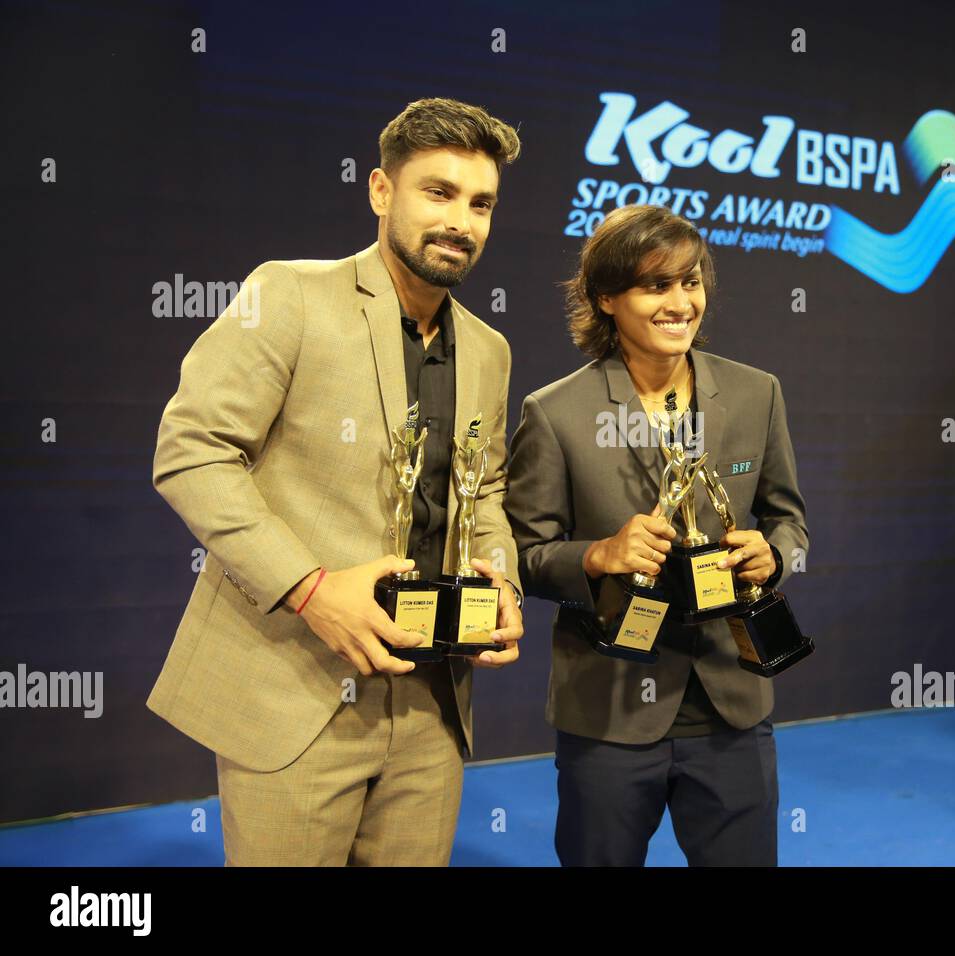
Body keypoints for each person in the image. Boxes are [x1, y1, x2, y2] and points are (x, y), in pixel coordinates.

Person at [148, 97, 524, 865]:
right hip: (295, 689)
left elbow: (481, 492)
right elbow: (191, 450)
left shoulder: (489, 349)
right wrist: (312, 589)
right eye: (439, 193)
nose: (462, 220)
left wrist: (503, 583)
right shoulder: (289, 294)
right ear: (381, 191)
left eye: (480, 203)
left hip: (431, 702)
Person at [506, 204, 809, 866]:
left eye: (691, 282)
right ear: (606, 298)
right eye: (656, 285)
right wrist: (597, 555)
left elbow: (789, 518)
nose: (681, 302)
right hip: (610, 711)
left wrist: (775, 555)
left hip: (733, 704)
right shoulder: (554, 413)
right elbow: (522, 558)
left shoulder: (758, 393)